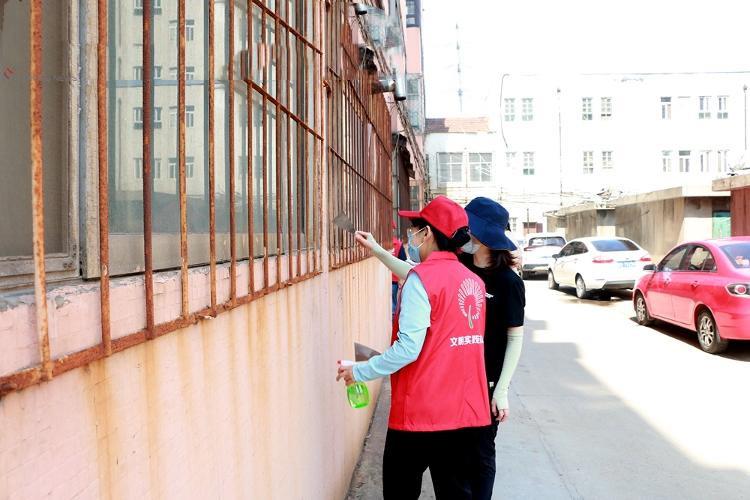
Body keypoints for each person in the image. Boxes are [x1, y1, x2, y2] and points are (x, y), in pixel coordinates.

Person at [356, 197, 526, 500]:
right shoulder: (462, 269)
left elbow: (514, 338)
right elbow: (419, 275)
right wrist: (379, 251)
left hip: (478, 388)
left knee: (479, 465)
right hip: (448, 390)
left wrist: (501, 390)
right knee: (457, 479)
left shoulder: (507, 282)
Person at [391, 221, 407, 315]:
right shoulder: (398, 244)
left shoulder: (380, 243)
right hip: (393, 279)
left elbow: (403, 261)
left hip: (390, 280)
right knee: (393, 302)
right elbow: (403, 261)